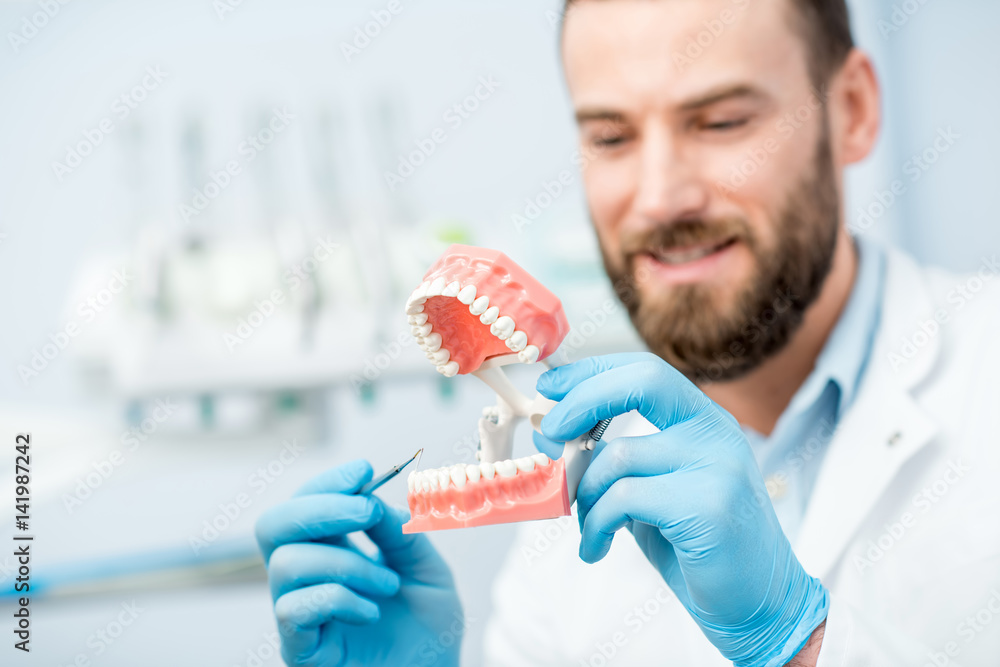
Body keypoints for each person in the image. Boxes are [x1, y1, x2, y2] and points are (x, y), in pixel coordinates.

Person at [254, 0, 1000, 665]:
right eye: (611, 137)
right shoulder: (567, 527)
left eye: (721, 122)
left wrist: (795, 642)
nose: (659, 197)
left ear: (854, 109)